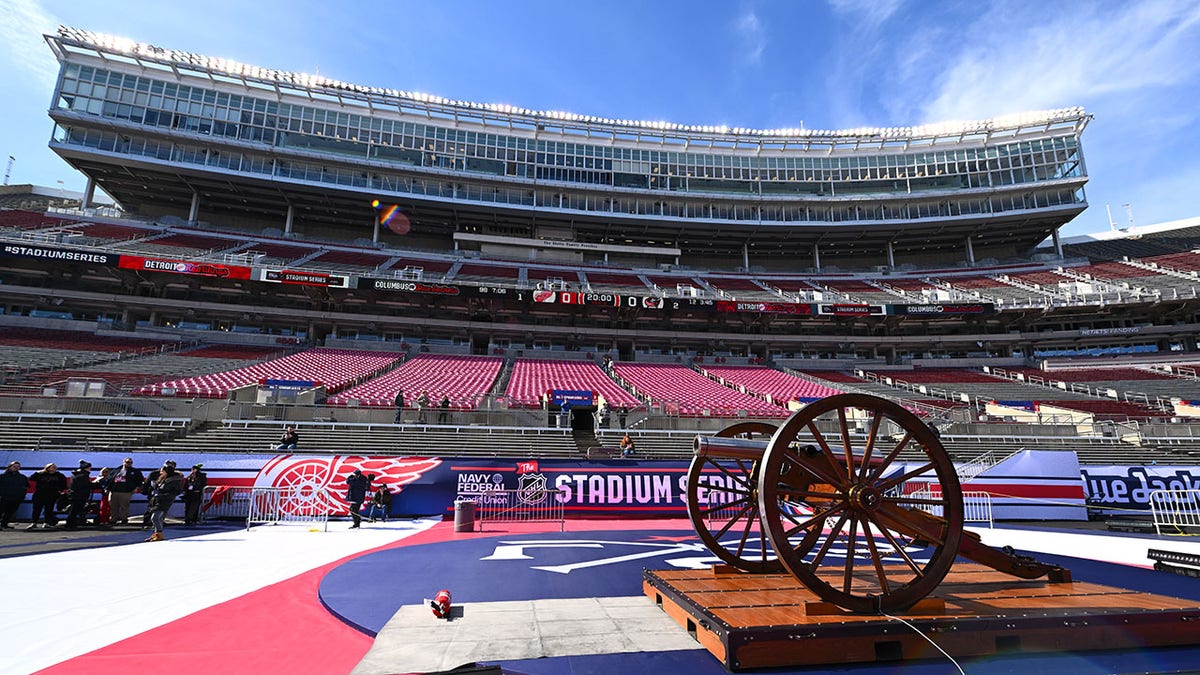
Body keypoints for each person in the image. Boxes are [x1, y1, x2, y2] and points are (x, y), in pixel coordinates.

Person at [145, 460, 183, 542]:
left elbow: (176, 491)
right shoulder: (162, 478)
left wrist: (164, 494)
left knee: (155, 518)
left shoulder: (174, 480)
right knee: (159, 518)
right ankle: (157, 533)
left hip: (165, 500)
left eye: (162, 471)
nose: (160, 472)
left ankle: (159, 533)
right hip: (157, 499)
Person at [27, 462, 67, 529]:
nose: (53, 469)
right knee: (37, 509)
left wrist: (59, 491)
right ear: (47, 468)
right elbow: (31, 478)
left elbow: (63, 485)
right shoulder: (41, 474)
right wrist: (37, 472)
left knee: (49, 510)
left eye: (55, 467)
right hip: (39, 494)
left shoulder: (59, 475)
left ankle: (47, 522)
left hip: (52, 495)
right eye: (52, 467)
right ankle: (34, 522)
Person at [106, 457, 145, 526]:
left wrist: (136, 488)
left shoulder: (135, 471)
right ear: (123, 462)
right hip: (114, 491)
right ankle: (113, 519)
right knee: (113, 506)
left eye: (130, 462)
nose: (129, 464)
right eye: (127, 462)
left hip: (126, 492)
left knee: (124, 506)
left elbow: (140, 480)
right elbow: (109, 479)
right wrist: (107, 488)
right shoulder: (116, 470)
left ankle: (124, 519)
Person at [64, 460, 94, 530]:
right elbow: (86, 485)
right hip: (80, 495)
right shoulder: (83, 476)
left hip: (74, 494)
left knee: (73, 510)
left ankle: (70, 523)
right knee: (75, 510)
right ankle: (70, 524)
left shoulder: (75, 474)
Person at [0, 461, 29, 529]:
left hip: (16, 498)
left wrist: (22, 495)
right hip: (4, 497)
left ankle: (4, 524)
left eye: (18, 466)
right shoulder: (2, 476)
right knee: (0, 511)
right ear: (9, 467)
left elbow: (26, 486)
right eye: (14, 466)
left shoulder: (22, 477)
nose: (16, 468)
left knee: (10, 512)